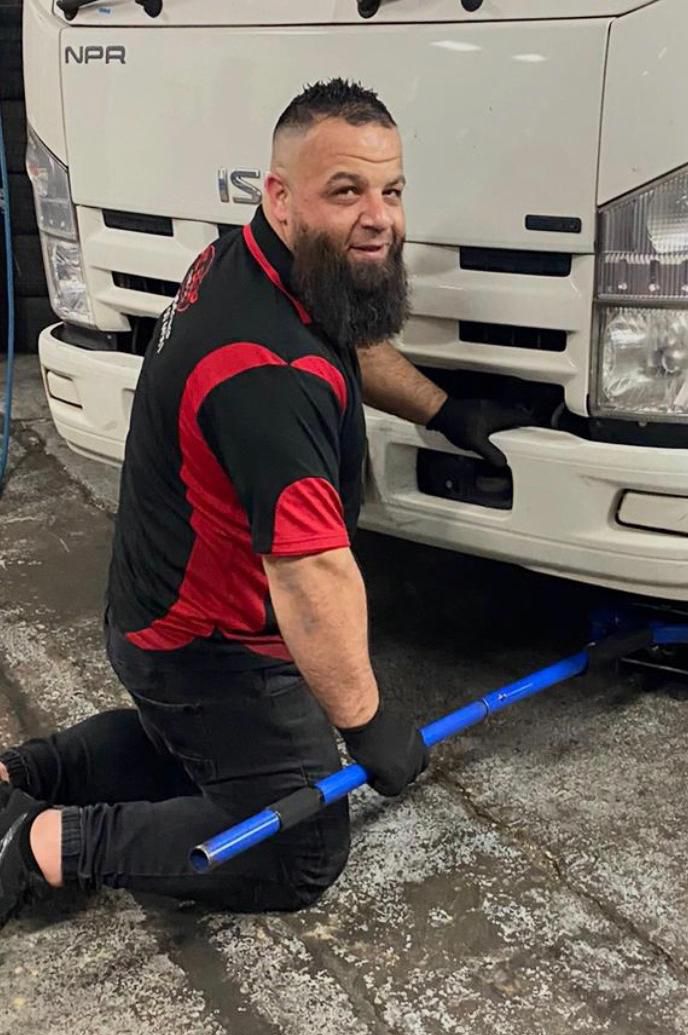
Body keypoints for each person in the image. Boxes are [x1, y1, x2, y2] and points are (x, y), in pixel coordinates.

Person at [0, 78, 528, 924]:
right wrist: (369, 724)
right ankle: (42, 848)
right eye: (346, 191)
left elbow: (347, 343)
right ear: (279, 197)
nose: (380, 217)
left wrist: (446, 410)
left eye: (391, 191)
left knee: (208, 763)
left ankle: (23, 775)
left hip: (161, 607)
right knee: (299, 846)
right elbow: (313, 575)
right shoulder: (267, 377)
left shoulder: (252, 263)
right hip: (205, 643)